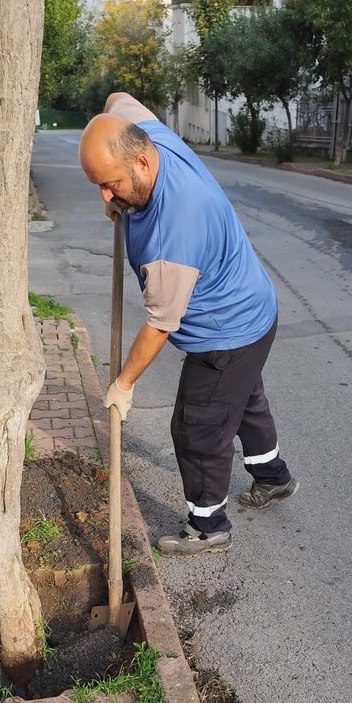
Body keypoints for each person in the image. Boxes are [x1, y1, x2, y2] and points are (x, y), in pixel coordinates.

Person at [78, 91, 297, 555]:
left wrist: (123, 383)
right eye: (98, 185)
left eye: (111, 184)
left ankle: (207, 527)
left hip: (226, 330)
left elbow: (160, 323)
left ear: (141, 162)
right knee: (243, 400)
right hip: (255, 309)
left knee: (197, 427)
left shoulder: (174, 228)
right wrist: (119, 198)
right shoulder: (149, 134)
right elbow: (119, 98)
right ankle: (273, 476)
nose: (105, 195)